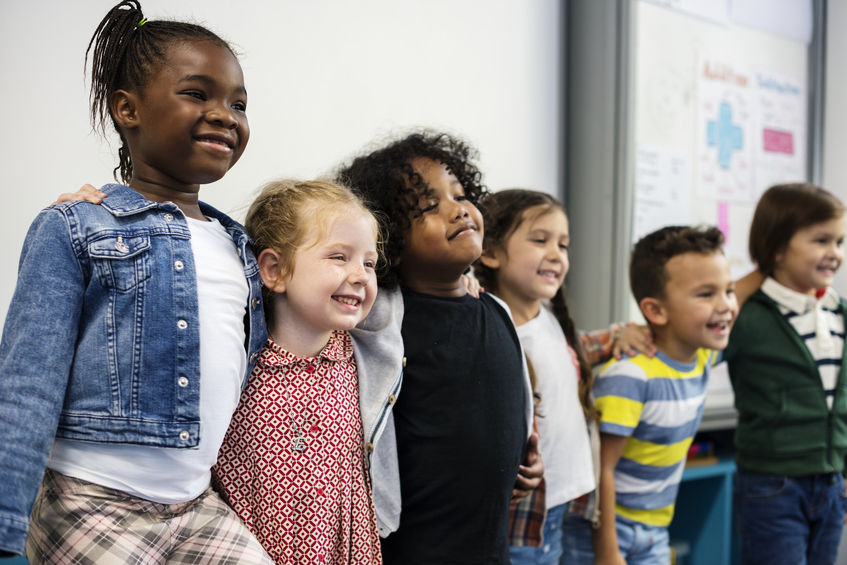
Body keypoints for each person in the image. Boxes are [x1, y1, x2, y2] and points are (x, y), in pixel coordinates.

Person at [0, 1, 274, 562]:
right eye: (198, 94)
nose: (225, 113)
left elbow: (334, 277)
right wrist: (5, 534)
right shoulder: (76, 226)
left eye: (238, 103)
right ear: (128, 109)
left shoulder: (242, 247)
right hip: (87, 498)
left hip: (195, 504)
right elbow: (26, 386)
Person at [336, 131, 539, 564]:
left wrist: (522, 455)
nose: (458, 209)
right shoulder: (379, 322)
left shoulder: (498, 311)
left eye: (461, 194)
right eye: (429, 206)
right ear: (388, 238)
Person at [211, 179, 388, 563]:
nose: (360, 274)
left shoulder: (364, 351)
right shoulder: (235, 358)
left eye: (369, 262)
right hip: (249, 551)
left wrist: (468, 278)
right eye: (339, 257)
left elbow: (427, 286)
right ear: (274, 270)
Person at [474, 189, 653, 565]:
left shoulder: (550, 318)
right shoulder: (489, 330)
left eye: (563, 244)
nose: (556, 254)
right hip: (518, 526)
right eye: (540, 240)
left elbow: (574, 351)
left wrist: (618, 335)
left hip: (562, 508)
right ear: (490, 252)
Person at [560, 225, 738, 565]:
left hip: (656, 530)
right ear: (655, 311)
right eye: (706, 294)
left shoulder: (702, 356)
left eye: (728, 290)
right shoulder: (631, 377)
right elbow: (602, 471)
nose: (726, 305)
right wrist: (608, 551)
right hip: (604, 532)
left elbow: (733, 302)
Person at [725, 183, 847, 565]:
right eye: (821, 240)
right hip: (771, 484)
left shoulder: (839, 311)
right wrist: (755, 277)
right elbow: (688, 337)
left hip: (832, 481)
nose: (835, 253)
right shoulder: (747, 314)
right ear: (777, 246)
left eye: (840, 241)